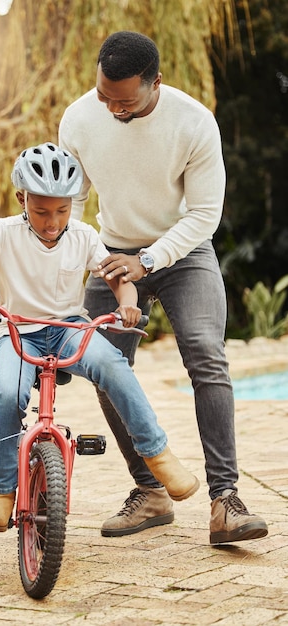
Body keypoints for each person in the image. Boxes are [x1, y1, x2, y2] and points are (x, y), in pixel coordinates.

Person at [59, 31, 268, 544]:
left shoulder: (193, 122)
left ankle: (225, 501)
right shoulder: (80, 118)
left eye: (124, 100)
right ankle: (150, 491)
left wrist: (148, 259)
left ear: (156, 83)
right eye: (104, 95)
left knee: (205, 353)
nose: (111, 108)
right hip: (110, 253)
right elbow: (73, 201)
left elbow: (203, 214)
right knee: (102, 365)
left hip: (182, 253)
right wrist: (76, 261)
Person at [0, 142, 199, 532]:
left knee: (113, 364)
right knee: (5, 395)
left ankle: (159, 457)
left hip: (68, 329)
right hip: (19, 332)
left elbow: (117, 277)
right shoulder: (5, 233)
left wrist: (128, 303)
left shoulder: (82, 235)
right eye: (41, 210)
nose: (52, 221)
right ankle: (0, 490)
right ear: (21, 199)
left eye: (61, 210)